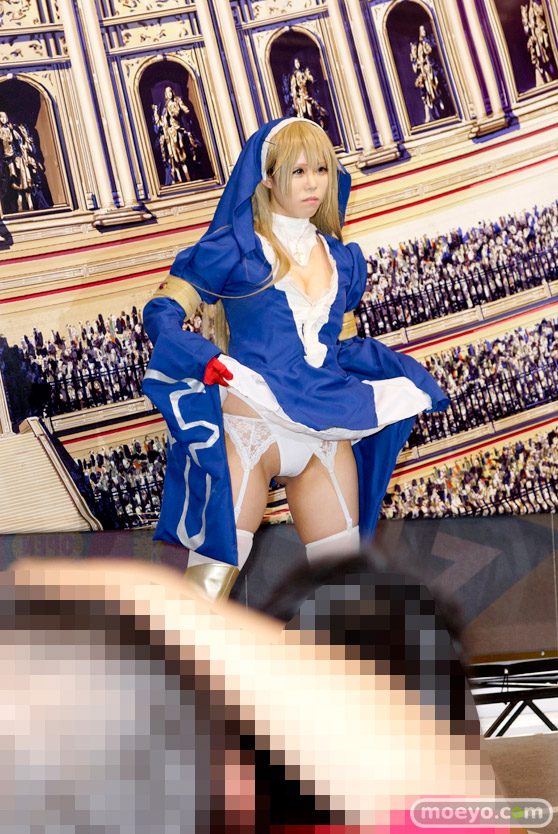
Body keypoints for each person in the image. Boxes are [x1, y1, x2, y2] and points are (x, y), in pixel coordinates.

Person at [142, 117, 448, 598]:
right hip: (253, 423)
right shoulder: (233, 249)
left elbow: (338, 343)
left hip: (326, 428)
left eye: (322, 170)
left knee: (343, 592)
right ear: (266, 177)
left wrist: (394, 371)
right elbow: (161, 312)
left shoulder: (342, 258)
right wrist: (201, 356)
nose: (313, 184)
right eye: (298, 171)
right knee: (207, 588)